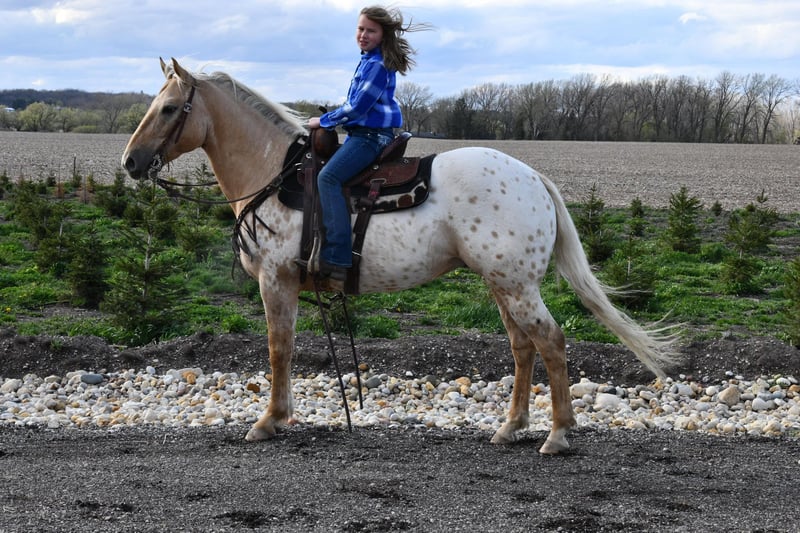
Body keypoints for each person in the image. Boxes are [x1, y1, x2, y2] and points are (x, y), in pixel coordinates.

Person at [306, 5, 425, 283]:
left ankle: (337, 255)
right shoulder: (369, 59)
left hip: (370, 137)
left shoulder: (377, 64)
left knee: (328, 178)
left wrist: (324, 121)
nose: (363, 34)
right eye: (360, 29)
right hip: (364, 134)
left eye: (370, 30)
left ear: (382, 35)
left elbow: (357, 107)